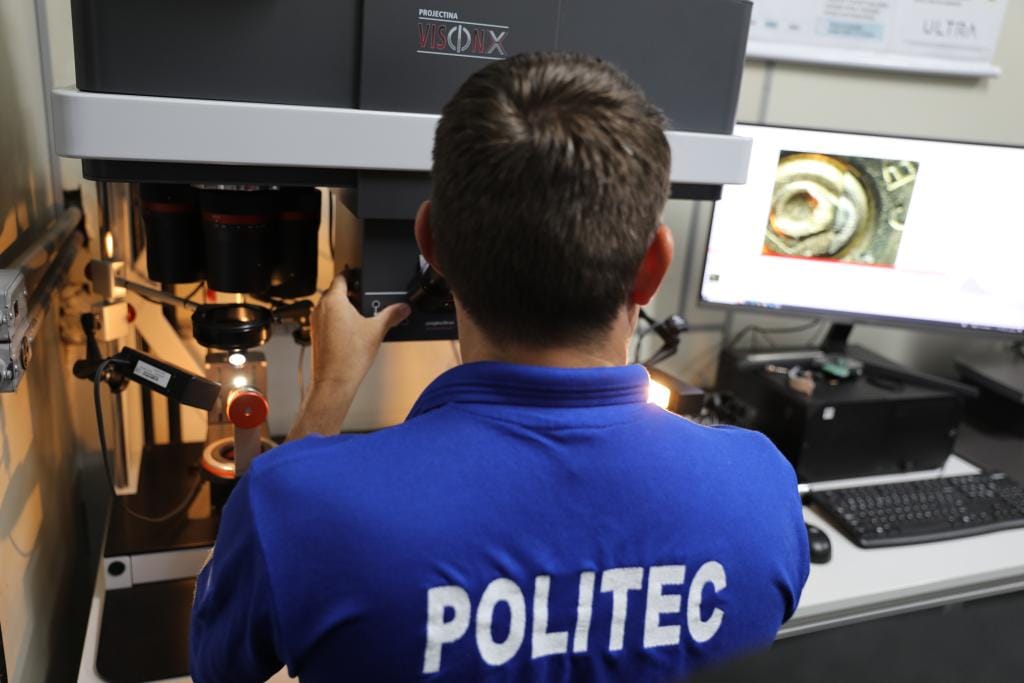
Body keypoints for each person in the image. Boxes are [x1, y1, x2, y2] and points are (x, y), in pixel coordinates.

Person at [190, 52, 809, 682]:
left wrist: (331, 388)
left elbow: (218, 665)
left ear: (431, 244)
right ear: (653, 266)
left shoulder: (298, 506)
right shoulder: (761, 489)